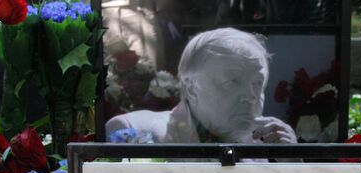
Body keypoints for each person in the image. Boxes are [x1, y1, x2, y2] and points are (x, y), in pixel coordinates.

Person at [105, 27, 297, 145]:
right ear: (190, 89)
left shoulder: (266, 146)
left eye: (258, 83)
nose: (252, 96)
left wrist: (291, 166)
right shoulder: (137, 132)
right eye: (232, 82)